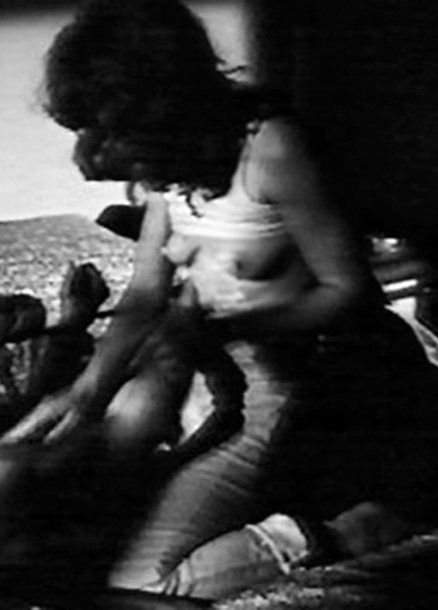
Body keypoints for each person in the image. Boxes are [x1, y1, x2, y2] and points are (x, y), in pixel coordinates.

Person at [3, 0, 438, 600]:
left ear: (160, 108)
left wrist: (235, 321)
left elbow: (348, 290)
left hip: (288, 370)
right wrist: (86, 392)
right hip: (196, 361)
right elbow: (144, 294)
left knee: (147, 584)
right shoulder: (169, 171)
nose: (95, 155)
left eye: (110, 130)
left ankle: (352, 530)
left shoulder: (272, 151)